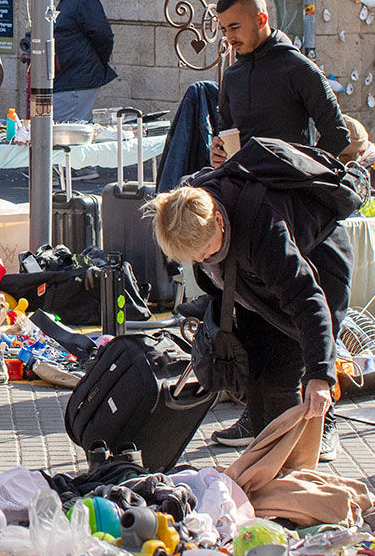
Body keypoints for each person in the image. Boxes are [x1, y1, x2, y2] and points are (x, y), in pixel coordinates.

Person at [148, 143, 354, 464]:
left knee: (287, 367)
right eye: (197, 258)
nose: (204, 259)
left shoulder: (264, 229)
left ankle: (314, 432)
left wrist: (320, 376)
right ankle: (264, 436)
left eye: (207, 252)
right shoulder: (191, 205)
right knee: (258, 365)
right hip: (254, 279)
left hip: (318, 262)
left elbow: (308, 301)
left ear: (218, 219)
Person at [209, 0, 347, 164]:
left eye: (234, 27)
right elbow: (224, 133)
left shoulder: (300, 69)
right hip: (240, 180)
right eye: (224, 29)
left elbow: (338, 134)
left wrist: (305, 171)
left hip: (288, 184)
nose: (229, 37)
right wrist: (218, 154)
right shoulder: (232, 76)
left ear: (261, 20)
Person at [51, 0, 116, 124]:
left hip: (76, 81)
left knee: (63, 132)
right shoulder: (69, 0)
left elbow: (103, 36)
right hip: (68, 78)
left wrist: (96, 62)